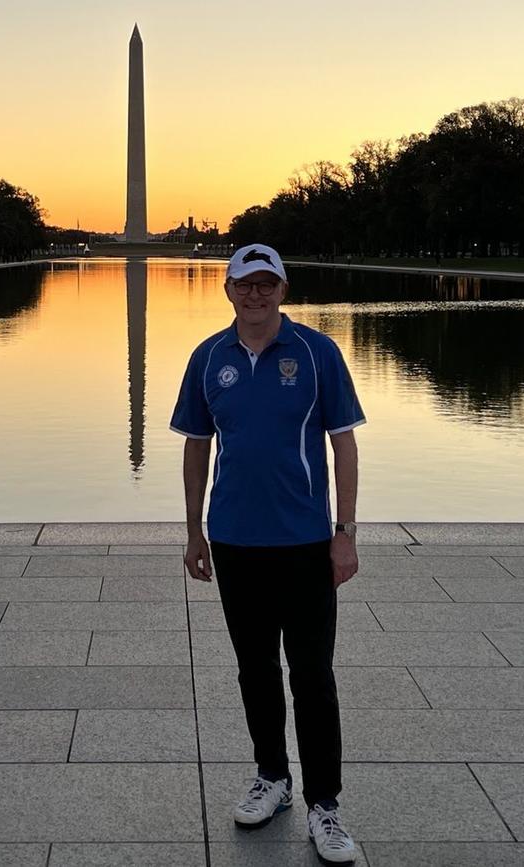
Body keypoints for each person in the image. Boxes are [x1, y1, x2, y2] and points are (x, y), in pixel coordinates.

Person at [170, 243, 366, 865]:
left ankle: (325, 806)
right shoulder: (207, 358)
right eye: (244, 285)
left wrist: (346, 532)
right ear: (227, 290)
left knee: (312, 675)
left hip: (306, 541)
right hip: (234, 539)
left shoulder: (318, 353)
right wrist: (194, 531)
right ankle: (272, 778)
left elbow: (344, 446)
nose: (255, 295)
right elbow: (197, 447)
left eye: (266, 285)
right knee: (254, 669)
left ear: (283, 289)